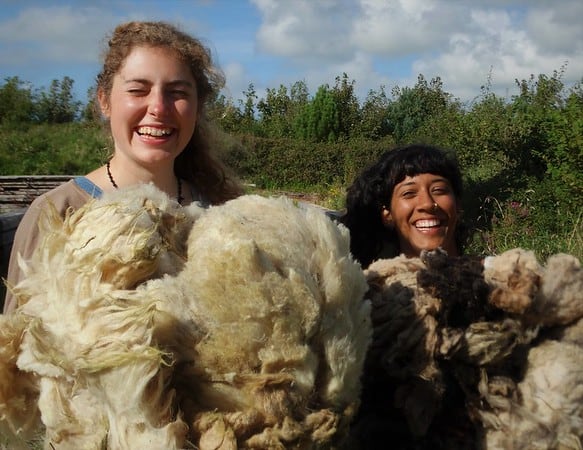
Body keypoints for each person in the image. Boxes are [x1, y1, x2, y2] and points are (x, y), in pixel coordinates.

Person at [3, 21, 242, 314]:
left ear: (198, 106)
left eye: (177, 92)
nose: (158, 108)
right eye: (138, 90)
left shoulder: (221, 212)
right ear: (105, 101)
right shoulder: (58, 213)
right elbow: (14, 349)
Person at [340, 144, 467, 267]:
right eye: (409, 193)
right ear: (387, 215)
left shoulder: (486, 277)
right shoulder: (371, 286)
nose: (427, 204)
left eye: (439, 190)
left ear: (457, 204)